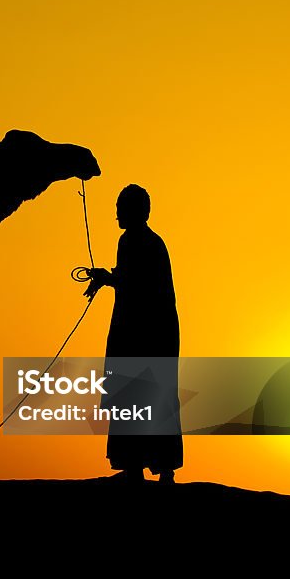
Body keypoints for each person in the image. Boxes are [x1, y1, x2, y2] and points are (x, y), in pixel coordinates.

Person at [84, 184, 182, 484]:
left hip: (146, 332)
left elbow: (139, 286)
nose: (116, 215)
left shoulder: (136, 242)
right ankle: (141, 467)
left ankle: (147, 468)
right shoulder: (142, 242)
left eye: (120, 208)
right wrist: (109, 278)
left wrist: (108, 278)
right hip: (147, 330)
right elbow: (131, 280)